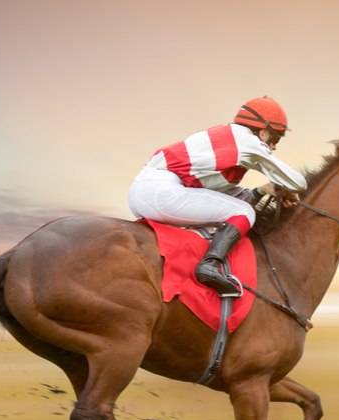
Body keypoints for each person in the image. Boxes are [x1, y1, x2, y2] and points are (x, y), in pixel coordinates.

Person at [129, 96, 307, 295]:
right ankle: (209, 266)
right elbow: (299, 183)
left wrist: (262, 190)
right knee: (245, 211)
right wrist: (286, 186)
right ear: (264, 132)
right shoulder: (247, 142)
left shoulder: (227, 141)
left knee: (236, 211)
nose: (274, 147)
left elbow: (225, 199)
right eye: (276, 138)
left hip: (145, 192)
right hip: (162, 192)